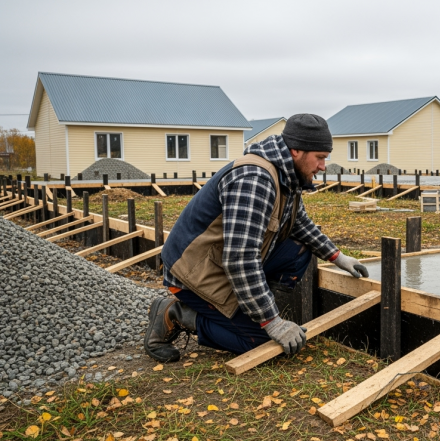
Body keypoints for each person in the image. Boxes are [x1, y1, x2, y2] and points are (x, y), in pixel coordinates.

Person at [144, 114, 369, 363]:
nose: (323, 166)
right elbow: (240, 259)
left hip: (222, 263)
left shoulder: (286, 175)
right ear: (296, 150)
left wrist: (338, 257)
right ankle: (176, 313)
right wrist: (272, 323)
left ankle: (251, 308)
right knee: (263, 344)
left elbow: (299, 223)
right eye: (320, 157)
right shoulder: (255, 180)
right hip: (194, 274)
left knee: (299, 249)